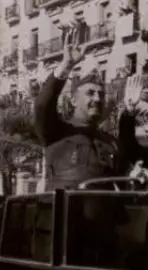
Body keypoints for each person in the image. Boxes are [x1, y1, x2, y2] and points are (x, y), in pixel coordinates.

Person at [35, 23, 135, 191]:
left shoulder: (109, 142)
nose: (97, 98)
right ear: (73, 100)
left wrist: (136, 173)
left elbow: (124, 173)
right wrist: (66, 66)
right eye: (90, 93)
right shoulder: (56, 132)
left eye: (100, 94)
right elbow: (42, 105)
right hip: (63, 215)